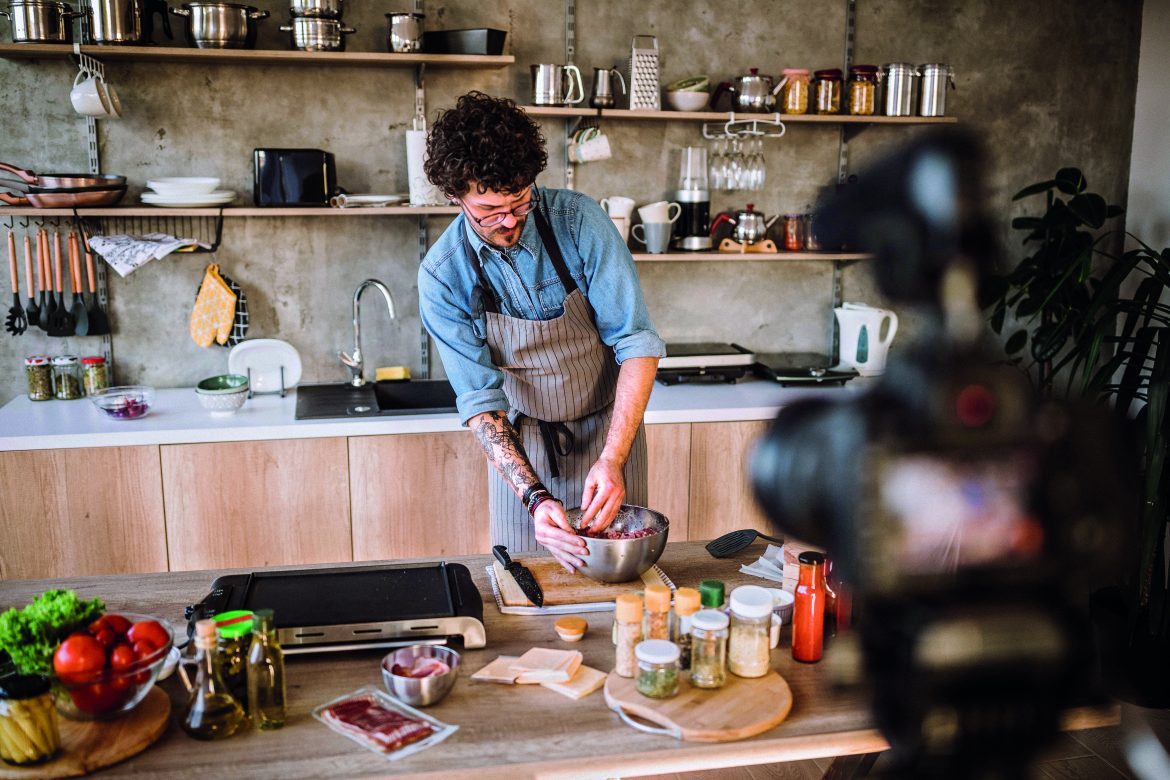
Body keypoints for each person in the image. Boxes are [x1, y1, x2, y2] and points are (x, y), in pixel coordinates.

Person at [418, 91, 665, 572]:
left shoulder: (579, 222)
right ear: (455, 196)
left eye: (520, 201)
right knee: (527, 582)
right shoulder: (443, 275)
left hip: (610, 433)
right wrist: (533, 497)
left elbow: (636, 341)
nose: (509, 220)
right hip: (524, 448)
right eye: (489, 210)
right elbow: (481, 405)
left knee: (622, 582)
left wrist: (613, 458)